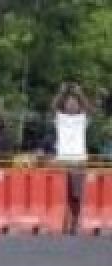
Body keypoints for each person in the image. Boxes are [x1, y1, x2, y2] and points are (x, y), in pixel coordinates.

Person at [50, 82, 91, 233]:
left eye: (74, 103)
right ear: (65, 105)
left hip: (78, 159)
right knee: (62, 192)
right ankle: (63, 219)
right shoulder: (60, 117)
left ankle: (75, 219)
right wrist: (61, 93)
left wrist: (79, 93)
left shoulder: (82, 118)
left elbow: (88, 107)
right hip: (62, 158)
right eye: (69, 102)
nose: (71, 105)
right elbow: (53, 107)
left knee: (76, 192)